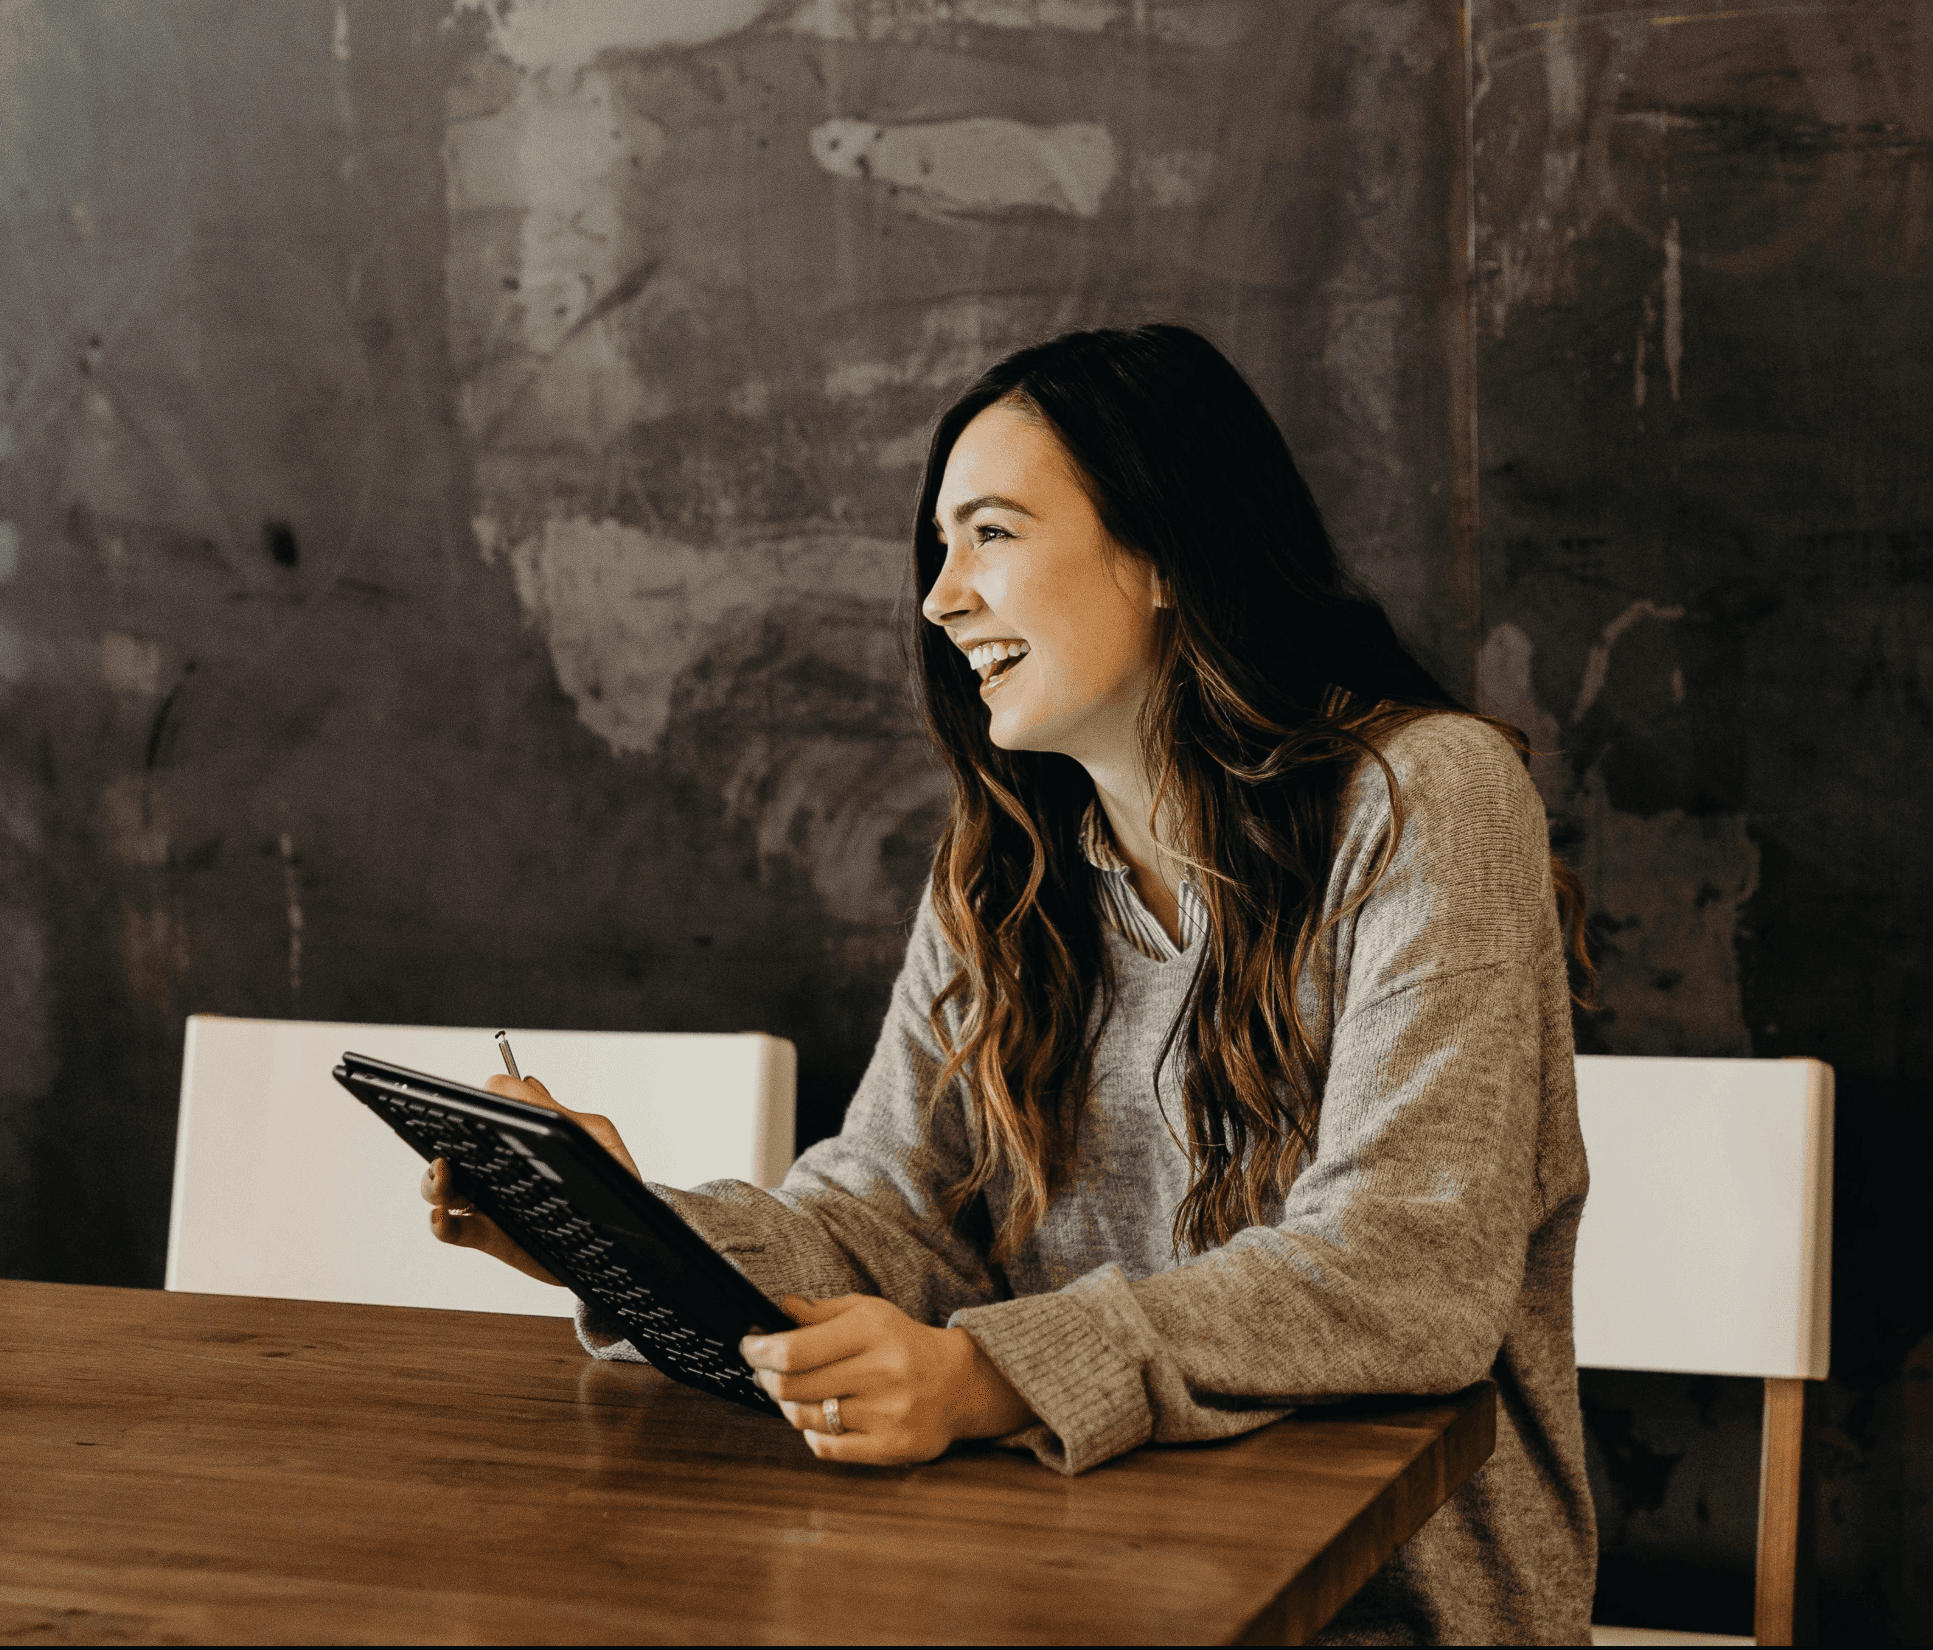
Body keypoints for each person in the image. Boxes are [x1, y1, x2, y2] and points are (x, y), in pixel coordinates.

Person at [421, 324, 1597, 1643]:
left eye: (989, 532)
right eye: (938, 548)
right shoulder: (1002, 871)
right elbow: (888, 1222)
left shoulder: (1425, 797)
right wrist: (626, 1235)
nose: (939, 597)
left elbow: (1403, 1269)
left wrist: (988, 1374)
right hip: (1062, 1586)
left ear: (1159, 551)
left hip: (1378, 1615)